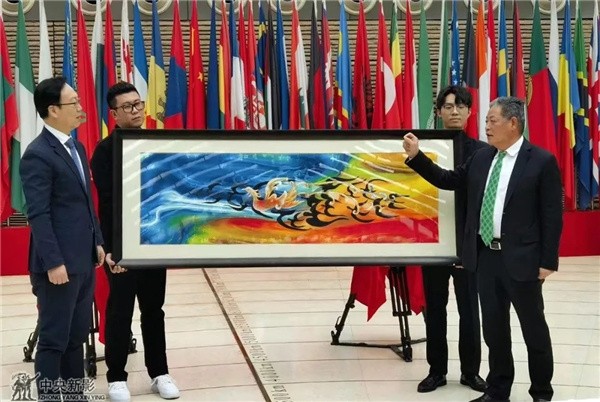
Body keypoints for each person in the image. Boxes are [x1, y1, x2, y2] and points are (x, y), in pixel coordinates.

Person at [404, 96, 562, 402]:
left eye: (492, 121)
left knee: (534, 331)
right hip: (487, 257)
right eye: (486, 121)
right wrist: (417, 157)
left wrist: (548, 260)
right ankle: (498, 391)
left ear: (513, 123)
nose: (486, 126)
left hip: (524, 261)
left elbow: (551, 215)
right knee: (494, 330)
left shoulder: (541, 161)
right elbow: (448, 179)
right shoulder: (481, 158)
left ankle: (542, 392)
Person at [90, 82, 180, 401]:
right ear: (113, 114)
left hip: (154, 242)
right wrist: (112, 250)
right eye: (127, 106)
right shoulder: (104, 151)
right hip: (122, 248)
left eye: (138, 104)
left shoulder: (156, 143)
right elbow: (107, 204)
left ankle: (160, 373)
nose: (136, 110)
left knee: (154, 310)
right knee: (120, 311)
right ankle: (116, 377)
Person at [20, 77, 105, 401]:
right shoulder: (38, 155)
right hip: (58, 267)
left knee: (76, 337)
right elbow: (38, 214)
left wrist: (97, 241)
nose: (81, 108)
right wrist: (54, 262)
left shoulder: (76, 147)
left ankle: (73, 396)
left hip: (83, 260)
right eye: (74, 102)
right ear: (53, 110)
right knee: (54, 340)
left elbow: (85, 202)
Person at [416, 86, 488, 393]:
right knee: (435, 309)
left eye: (460, 106)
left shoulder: (482, 152)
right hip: (432, 242)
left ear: (470, 111)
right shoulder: (422, 149)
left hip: (466, 245)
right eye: (448, 106)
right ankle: (437, 371)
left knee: (470, 311)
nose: (454, 111)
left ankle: (471, 372)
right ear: (438, 112)